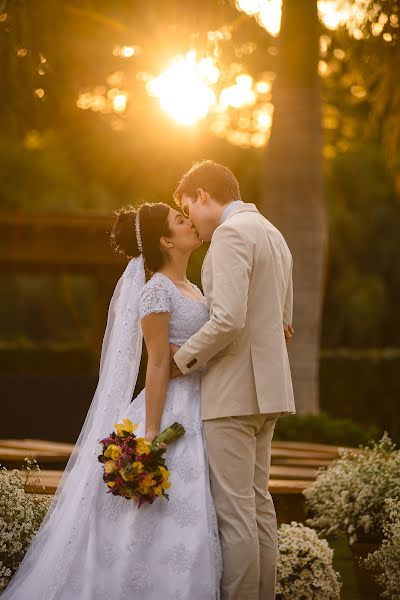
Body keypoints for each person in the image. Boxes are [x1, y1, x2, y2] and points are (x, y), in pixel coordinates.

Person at [0, 202, 222, 600]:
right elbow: (156, 363)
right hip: (171, 412)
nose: (190, 223)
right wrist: (152, 433)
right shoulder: (156, 290)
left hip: (204, 404)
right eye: (180, 220)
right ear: (165, 240)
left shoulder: (195, 289)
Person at [171, 160, 296, 600]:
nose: (193, 223)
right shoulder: (272, 233)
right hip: (270, 391)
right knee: (259, 506)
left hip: (231, 393)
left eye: (188, 208)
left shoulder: (229, 234)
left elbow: (227, 320)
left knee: (236, 514)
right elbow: (285, 322)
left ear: (203, 194)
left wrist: (180, 360)